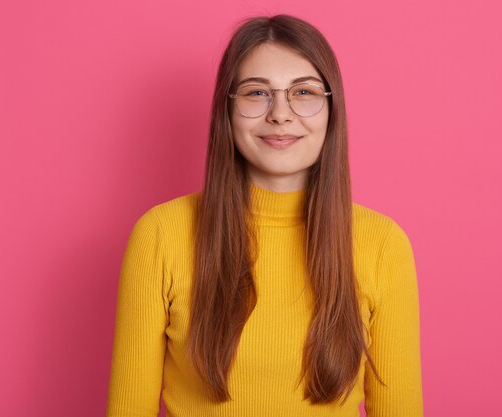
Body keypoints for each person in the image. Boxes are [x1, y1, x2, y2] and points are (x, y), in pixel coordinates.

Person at [106, 14, 423, 417]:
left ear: (331, 109)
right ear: (227, 110)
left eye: (303, 92)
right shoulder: (159, 235)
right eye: (257, 93)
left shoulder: (383, 244)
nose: (280, 114)